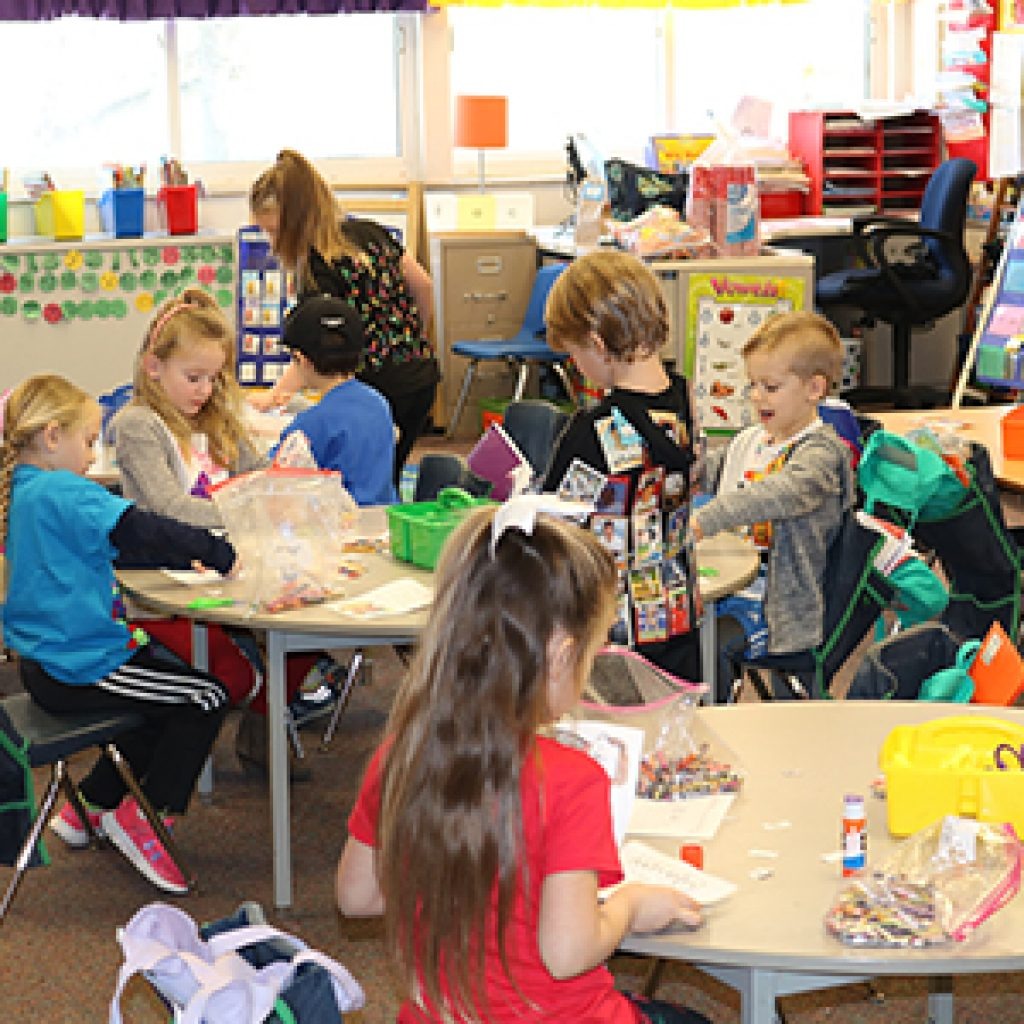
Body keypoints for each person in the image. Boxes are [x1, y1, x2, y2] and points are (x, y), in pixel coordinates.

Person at [336, 501, 709, 1024]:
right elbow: (567, 953)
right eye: (592, 652)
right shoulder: (572, 779)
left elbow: (357, 896)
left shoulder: (400, 753)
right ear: (560, 655)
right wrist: (628, 908)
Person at [0, 374, 237, 894]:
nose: (92, 455)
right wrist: (218, 549)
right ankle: (146, 819)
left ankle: (90, 807)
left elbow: (112, 545)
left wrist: (182, 552)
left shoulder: (23, 488)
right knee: (204, 697)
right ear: (52, 437)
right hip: (78, 665)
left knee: (164, 695)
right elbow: (143, 529)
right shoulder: (63, 488)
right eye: (88, 441)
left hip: (45, 663)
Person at [113, 289, 343, 771]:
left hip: (228, 569)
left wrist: (284, 479)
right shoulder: (139, 425)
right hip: (165, 584)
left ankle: (261, 726)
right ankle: (134, 779)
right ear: (154, 367)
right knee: (232, 675)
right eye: (192, 377)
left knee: (307, 628)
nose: (203, 390)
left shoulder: (217, 420)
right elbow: (167, 508)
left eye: (213, 378)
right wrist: (245, 505)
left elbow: (257, 473)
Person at [541, 250, 699, 681]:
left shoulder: (595, 430)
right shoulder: (688, 404)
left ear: (596, 342)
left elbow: (555, 529)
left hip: (608, 632)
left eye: (575, 354)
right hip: (677, 617)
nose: (577, 367)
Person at [689, 310, 854, 701]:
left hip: (775, 609)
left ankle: (711, 731)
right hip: (726, 586)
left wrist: (706, 519)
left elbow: (782, 492)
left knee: (707, 645)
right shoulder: (752, 439)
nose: (757, 396)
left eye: (771, 386)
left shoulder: (821, 454)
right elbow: (708, 472)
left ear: (814, 389)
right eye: (752, 385)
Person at [248, 150, 438, 485]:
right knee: (385, 475)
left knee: (363, 480)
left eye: (274, 231)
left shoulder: (316, 268)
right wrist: (412, 335)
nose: (272, 241)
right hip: (420, 374)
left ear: (295, 222)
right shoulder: (372, 233)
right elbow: (422, 283)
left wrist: (274, 395)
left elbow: (315, 347)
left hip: (376, 387)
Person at [271, 294, 397, 506]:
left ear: (301, 360)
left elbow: (275, 475)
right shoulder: (378, 403)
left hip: (341, 528)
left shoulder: (311, 423)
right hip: (384, 523)